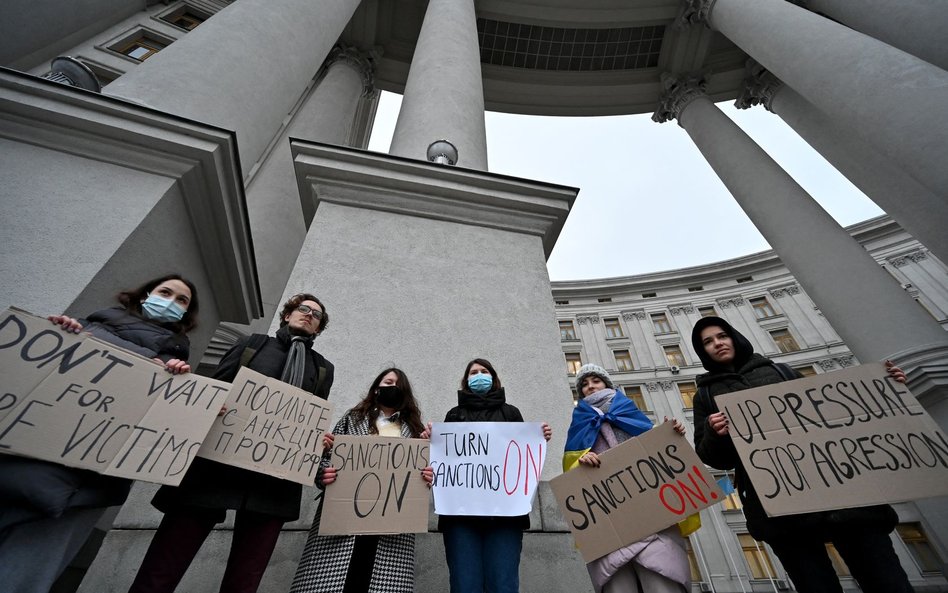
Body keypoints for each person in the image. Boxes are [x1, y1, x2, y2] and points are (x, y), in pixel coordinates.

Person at [0, 273, 199, 593]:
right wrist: (58, 334)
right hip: (19, 461)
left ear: (186, 314)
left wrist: (181, 390)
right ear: (146, 294)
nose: (172, 302)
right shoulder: (81, 329)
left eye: (181, 300)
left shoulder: (174, 364)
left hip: (84, 487)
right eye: (166, 292)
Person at [128, 293, 334, 593]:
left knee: (245, 578)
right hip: (215, 469)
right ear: (287, 315)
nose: (308, 315)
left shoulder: (323, 367)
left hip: (273, 482)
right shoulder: (253, 345)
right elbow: (217, 386)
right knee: (164, 565)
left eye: (316, 315)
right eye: (302, 309)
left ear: (318, 328)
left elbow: (312, 413)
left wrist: (317, 438)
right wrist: (213, 404)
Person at [691, 315, 914, 593]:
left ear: (734, 337)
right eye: (708, 342)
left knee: (887, 582)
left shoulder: (782, 371)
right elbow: (711, 456)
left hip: (844, 499)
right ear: (703, 352)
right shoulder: (704, 396)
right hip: (782, 512)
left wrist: (889, 389)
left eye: (722, 336)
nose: (717, 344)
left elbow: (842, 416)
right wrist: (714, 433)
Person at [290, 367, 432, 593]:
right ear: (376, 389)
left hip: (391, 525)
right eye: (387, 382)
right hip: (346, 517)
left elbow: (423, 472)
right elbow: (327, 457)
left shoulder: (415, 430)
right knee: (339, 582)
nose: (391, 387)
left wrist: (427, 476)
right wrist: (322, 474)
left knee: (375, 582)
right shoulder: (352, 419)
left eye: (396, 383)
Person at [563, 364, 691, 593]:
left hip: (650, 514)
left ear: (607, 384)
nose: (590, 387)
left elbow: (658, 453)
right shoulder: (578, 423)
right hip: (610, 519)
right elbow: (570, 469)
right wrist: (580, 462)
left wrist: (671, 434)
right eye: (584, 384)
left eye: (596, 381)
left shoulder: (631, 411)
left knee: (661, 581)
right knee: (619, 585)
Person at [436, 358, 552, 593]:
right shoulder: (454, 415)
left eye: (484, 371)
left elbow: (522, 459)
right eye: (473, 373)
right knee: (464, 585)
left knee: (504, 584)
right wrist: (432, 438)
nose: (479, 375)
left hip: (504, 519)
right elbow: (444, 458)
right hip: (461, 519)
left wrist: (538, 437)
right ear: (467, 381)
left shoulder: (511, 413)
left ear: (493, 377)